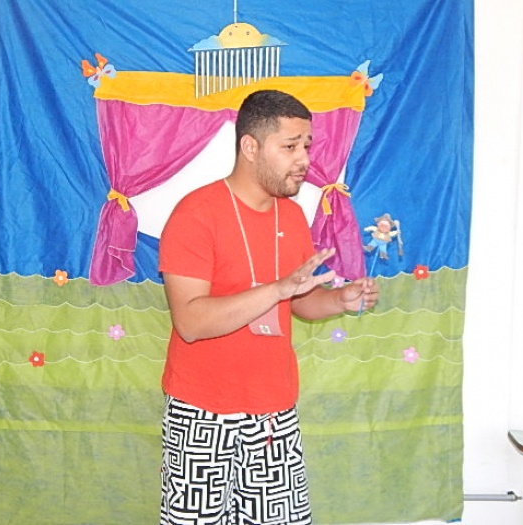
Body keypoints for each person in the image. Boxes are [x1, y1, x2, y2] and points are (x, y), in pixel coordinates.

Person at [158, 89, 379, 525]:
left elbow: (300, 302)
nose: (304, 159)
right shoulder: (195, 214)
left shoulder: (291, 216)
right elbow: (191, 322)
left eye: (307, 146)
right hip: (201, 412)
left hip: (274, 413)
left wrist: (340, 300)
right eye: (290, 146)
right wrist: (277, 290)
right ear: (250, 147)